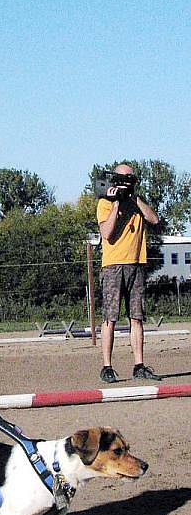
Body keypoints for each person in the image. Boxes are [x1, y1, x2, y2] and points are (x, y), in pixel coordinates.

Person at [97, 163, 160, 383]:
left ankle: (139, 365)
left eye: (129, 178)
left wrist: (134, 199)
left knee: (137, 317)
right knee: (110, 318)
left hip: (137, 263)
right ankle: (107, 366)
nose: (125, 181)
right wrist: (116, 204)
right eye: (122, 177)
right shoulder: (105, 203)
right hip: (113, 265)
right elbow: (106, 232)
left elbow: (154, 219)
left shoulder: (136, 203)